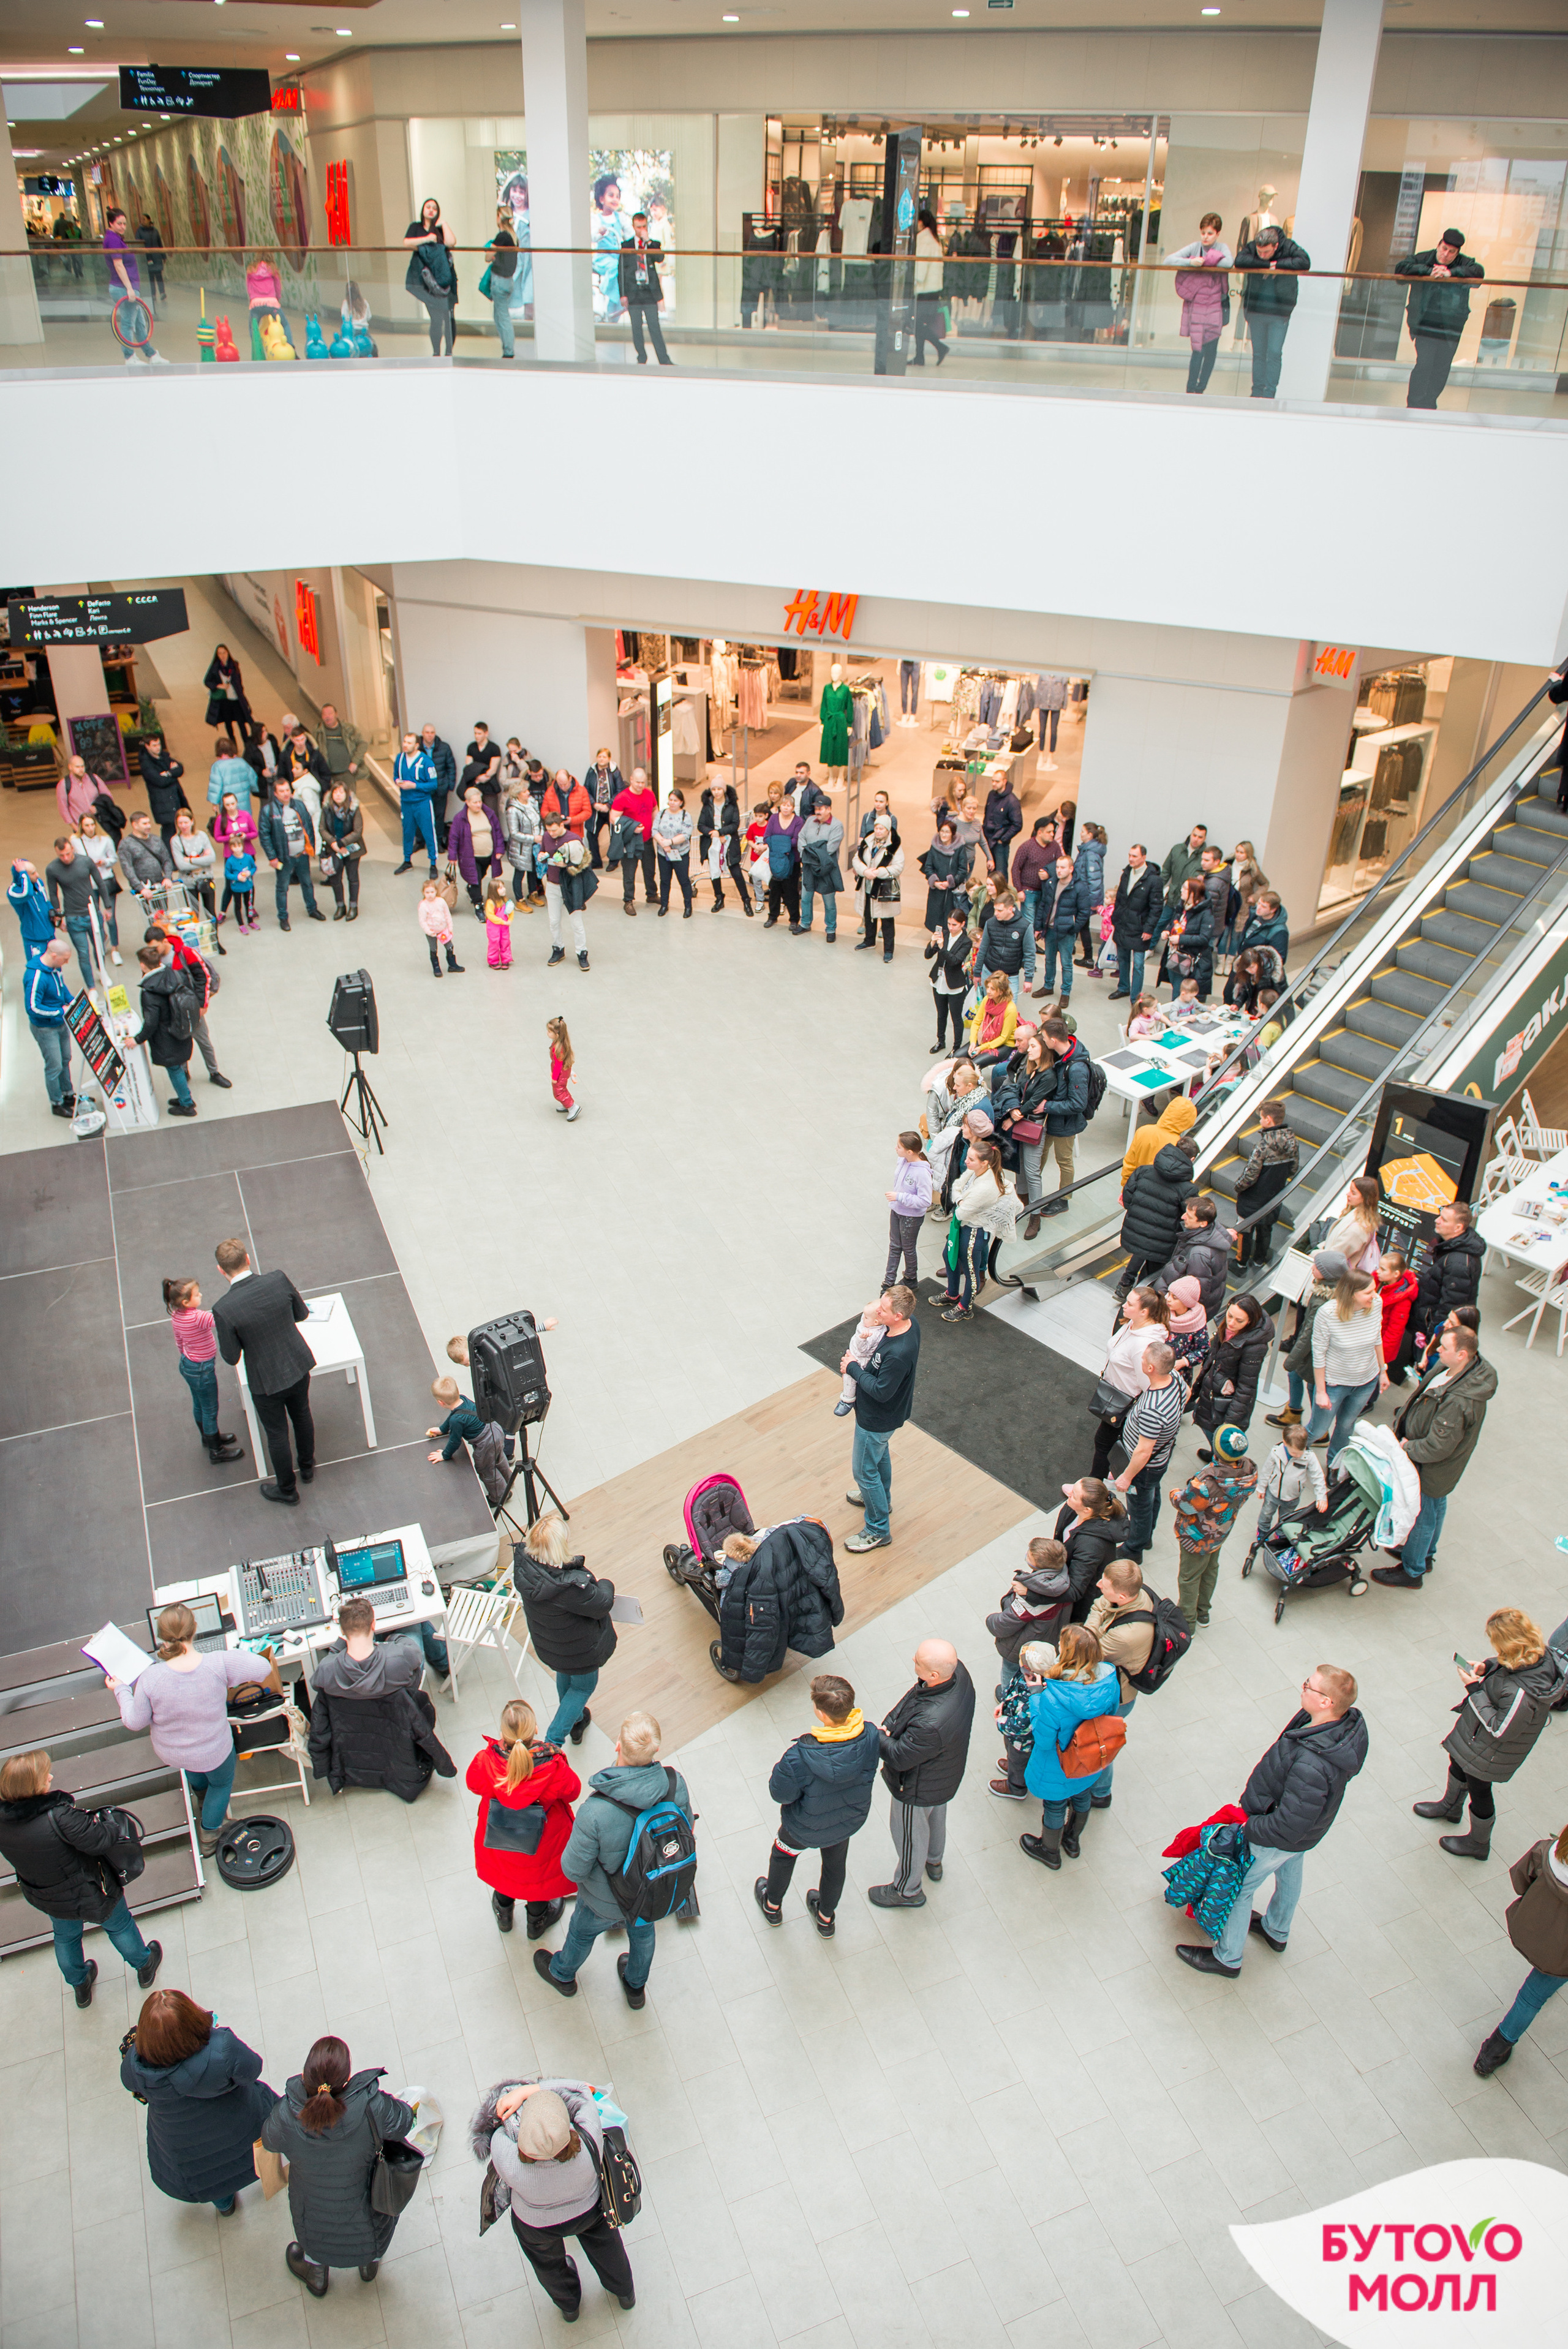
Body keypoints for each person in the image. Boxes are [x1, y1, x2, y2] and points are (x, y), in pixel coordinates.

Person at [1175, 1665, 1366, 1975]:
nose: (1302, 1688)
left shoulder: (1312, 1763)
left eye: (1310, 1686)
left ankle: (1228, 1958)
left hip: (1276, 1836)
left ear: (1326, 1702)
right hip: (1301, 1837)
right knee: (1290, 1870)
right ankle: (1276, 1931)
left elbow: (1288, 1823)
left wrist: (1250, 1827)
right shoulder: (1335, 1728)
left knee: (1240, 1889)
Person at [535, 1711, 691, 2006]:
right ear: (656, 1749)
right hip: (651, 1893)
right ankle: (635, 1987)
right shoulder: (675, 1783)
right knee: (643, 1934)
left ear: (618, 1745)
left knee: (581, 1934)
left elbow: (572, 1869)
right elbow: (686, 1831)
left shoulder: (594, 1811)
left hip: (605, 1901)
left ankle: (562, 1974)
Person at [110, 1602, 279, 1852]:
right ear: (195, 1629)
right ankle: (210, 1834)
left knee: (193, 1764)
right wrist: (232, 1659)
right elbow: (264, 1668)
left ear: (161, 1639)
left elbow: (135, 1721)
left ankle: (202, 1797)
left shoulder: (150, 1677)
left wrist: (121, 1689)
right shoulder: (218, 1663)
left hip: (174, 1752)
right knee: (220, 1784)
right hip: (214, 1750)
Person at [0, 1749, 163, 2008]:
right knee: (119, 1925)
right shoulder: (59, 1817)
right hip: (91, 1889)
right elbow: (100, 1840)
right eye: (45, 1776)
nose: (51, 1777)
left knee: (65, 1937)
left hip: (47, 1894)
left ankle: (80, 1984)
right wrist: (109, 1823)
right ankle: (144, 1964)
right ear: (32, 1786)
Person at [261, 2037, 417, 2297]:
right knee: (371, 2235)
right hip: (368, 2207)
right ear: (346, 2081)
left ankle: (317, 2276)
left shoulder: (285, 2114)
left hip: (310, 2208)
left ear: (304, 2076)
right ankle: (368, 2266)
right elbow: (404, 2121)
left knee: (313, 2239)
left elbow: (269, 2141)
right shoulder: (372, 2107)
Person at [1412, 1610, 1564, 1863]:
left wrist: (1473, 1689)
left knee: (1480, 1790)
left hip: (1492, 1751)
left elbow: (1501, 1729)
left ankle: (1478, 1843)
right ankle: (1450, 1807)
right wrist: (1488, 1666)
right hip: (1476, 1738)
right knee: (1458, 1762)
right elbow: (1507, 1666)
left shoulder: (1522, 1695)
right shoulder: (1535, 1653)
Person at [483, 2077, 637, 2315]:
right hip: (591, 2212)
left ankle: (569, 2307)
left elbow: (494, 2130)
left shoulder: (508, 2159)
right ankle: (625, 2293)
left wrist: (514, 2098)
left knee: (548, 2266)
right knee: (609, 2249)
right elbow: (582, 2089)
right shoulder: (589, 2140)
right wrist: (531, 2089)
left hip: (536, 2226)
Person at [121, 1991, 277, 2216]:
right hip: (237, 2125)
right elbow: (252, 2070)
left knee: (208, 2178)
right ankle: (268, 2176)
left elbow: (132, 2086)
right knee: (254, 2154)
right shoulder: (223, 2048)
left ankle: (225, 2206)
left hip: (180, 2142)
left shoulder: (134, 2067)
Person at [755, 1673, 881, 1934]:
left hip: (803, 1826)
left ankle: (772, 1905)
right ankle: (825, 1918)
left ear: (821, 1714)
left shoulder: (799, 1757)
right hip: (846, 1821)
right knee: (835, 1866)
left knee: (783, 1855)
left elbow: (779, 1794)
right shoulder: (870, 1735)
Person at [1372, 1322, 1496, 1589]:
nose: (1437, 1349)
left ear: (1462, 1354)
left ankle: (1412, 1570)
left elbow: (1437, 1447)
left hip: (1434, 1468)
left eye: (1445, 1347)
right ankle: (1425, 1555)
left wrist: (1406, 1447)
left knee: (1423, 1515)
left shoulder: (1461, 1401)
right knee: (1436, 1506)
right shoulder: (1455, 1368)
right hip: (1439, 1467)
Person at [308, 1596, 457, 1799]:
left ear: (343, 1631)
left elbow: (317, 1684)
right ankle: (445, 1665)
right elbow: (415, 1657)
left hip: (354, 1741)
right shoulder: (399, 1658)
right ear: (373, 1624)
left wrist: (337, 1649)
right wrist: (392, 1640)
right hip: (396, 1726)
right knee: (415, 1623)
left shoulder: (327, 1669)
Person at [212, 1235, 317, 1505]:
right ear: (248, 1259)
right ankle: (307, 1467)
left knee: (277, 1433)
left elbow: (231, 1356)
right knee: (302, 1413)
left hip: (265, 1380)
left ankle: (287, 1490)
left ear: (221, 1270)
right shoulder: (278, 1279)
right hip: (297, 1363)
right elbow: (302, 1314)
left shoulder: (223, 1309)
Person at [871, 1640, 974, 1909]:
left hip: (917, 1786)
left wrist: (876, 1735)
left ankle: (907, 1890)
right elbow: (915, 1696)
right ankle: (934, 1860)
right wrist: (894, 1723)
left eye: (918, 1662)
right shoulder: (959, 1674)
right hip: (944, 1776)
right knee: (937, 1816)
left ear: (934, 1675)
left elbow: (898, 1757)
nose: (913, 1662)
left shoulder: (931, 1723)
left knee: (909, 1835)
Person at [467, 1699, 576, 1940]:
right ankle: (536, 1923)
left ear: (502, 1733)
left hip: (499, 1835)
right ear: (535, 1729)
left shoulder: (486, 1760)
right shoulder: (553, 1764)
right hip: (541, 1842)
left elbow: (473, 1784)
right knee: (538, 1884)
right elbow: (573, 1791)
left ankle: (504, 1915)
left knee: (503, 1875)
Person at [1016, 1624, 1121, 1869]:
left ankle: (1050, 1851)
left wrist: (1035, 1695)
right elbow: (1112, 1713)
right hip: (1092, 1758)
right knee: (1082, 1794)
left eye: (1062, 1646)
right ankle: (1072, 1840)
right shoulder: (1108, 1678)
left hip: (1059, 1763)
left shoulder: (1054, 1696)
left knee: (1055, 1805)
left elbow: (1042, 1739)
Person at [511, 1511, 616, 1745]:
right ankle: (553, 1740)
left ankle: (577, 1720)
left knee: (565, 1674)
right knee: (582, 1688)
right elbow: (602, 1603)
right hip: (580, 1650)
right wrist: (607, 1584)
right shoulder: (569, 1588)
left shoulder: (525, 1567)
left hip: (551, 1645)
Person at [1472, 1824, 1568, 2078]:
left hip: (1534, 1933)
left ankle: (1490, 2055)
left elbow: (1519, 1880)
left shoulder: (1545, 1852)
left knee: (1530, 1998)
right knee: (1531, 1998)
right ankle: (1495, 2050)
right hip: (1563, 1958)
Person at [842, 1284, 921, 1555]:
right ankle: (880, 1501)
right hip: (885, 1418)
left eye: (883, 1309)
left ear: (897, 1316)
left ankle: (877, 1530)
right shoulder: (907, 1325)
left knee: (864, 1471)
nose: (877, 1309)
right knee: (877, 1457)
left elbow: (881, 1391)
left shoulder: (898, 1353)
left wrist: (851, 1367)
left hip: (877, 1419)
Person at [1169, 1425, 1258, 1631]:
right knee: (1210, 1569)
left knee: (1189, 1577)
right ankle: (1203, 1612)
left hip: (1197, 1535)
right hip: (1221, 1531)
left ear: (1216, 1451)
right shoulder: (1249, 1471)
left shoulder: (1207, 1482)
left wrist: (1174, 1493)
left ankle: (1187, 1624)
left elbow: (1186, 1504)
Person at [1084, 1558, 1156, 1809]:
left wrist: (1091, 1629)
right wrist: (1098, 1618)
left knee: (1099, 1744)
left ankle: (1101, 1793)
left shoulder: (1128, 1635)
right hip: (1114, 1682)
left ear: (1123, 1597)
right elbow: (1099, 1605)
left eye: (1106, 1584)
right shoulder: (1137, 1594)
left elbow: (1089, 1650)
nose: (1099, 1584)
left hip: (1119, 1697)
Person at [1109, 1339, 1183, 1559]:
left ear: (1150, 1368)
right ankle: (1146, 1536)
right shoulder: (1176, 1378)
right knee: (1152, 1496)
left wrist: (1126, 1477)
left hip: (1144, 1468)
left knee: (1139, 1509)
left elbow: (1143, 1451)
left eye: (1143, 1358)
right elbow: (1186, 1394)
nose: (1140, 1359)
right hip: (1159, 1461)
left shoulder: (1154, 1410)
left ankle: (1134, 1549)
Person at [1397, 227, 1485, 409]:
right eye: (1444, 248)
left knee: (1442, 367)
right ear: (1439, 245)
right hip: (1424, 325)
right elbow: (1401, 269)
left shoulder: (1464, 263)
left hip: (1450, 326)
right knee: (1424, 364)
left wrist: (1451, 274)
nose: (1446, 254)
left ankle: (1430, 404)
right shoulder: (1423, 258)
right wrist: (1428, 271)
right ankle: (1414, 406)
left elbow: (1478, 272)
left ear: (1457, 253)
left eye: (1452, 252)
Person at [1308, 1269, 1387, 1464]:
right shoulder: (1327, 1314)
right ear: (1352, 1293)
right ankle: (1289, 1451)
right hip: (1335, 1384)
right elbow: (1319, 1355)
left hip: (1366, 1381)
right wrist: (1321, 1391)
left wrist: (1383, 1371)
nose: (1374, 1296)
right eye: (1368, 1292)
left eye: (1374, 1291)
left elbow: (1377, 1338)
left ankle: (1334, 1463)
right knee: (1318, 1429)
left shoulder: (1376, 1304)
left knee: (1346, 1425)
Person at [163, 1275, 243, 1466]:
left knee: (199, 1404)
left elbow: (179, 1342)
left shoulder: (176, 1316)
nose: (201, 1295)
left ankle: (208, 1438)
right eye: (197, 1295)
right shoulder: (198, 1317)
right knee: (210, 1409)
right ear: (186, 1302)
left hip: (188, 1365)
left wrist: (187, 1355)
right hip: (202, 1370)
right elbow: (221, 1320)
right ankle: (216, 1451)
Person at [943, 1138, 1016, 1323]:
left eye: (971, 1160)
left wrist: (959, 1201)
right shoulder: (976, 1171)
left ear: (984, 1163)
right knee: (948, 1255)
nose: (966, 1162)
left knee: (971, 1272)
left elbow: (960, 1212)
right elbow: (956, 1187)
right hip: (965, 1225)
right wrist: (960, 1200)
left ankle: (965, 1307)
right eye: (968, 1158)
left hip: (974, 1231)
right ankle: (952, 1294)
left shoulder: (986, 1187)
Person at [1117, 1134, 1197, 1300]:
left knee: (1142, 1249)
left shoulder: (1143, 1171)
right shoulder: (1189, 1189)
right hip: (1165, 1240)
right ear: (1192, 1159)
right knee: (1152, 1268)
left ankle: (1124, 1285)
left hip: (1136, 1230)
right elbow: (1188, 1219)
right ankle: (1138, 1298)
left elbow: (1127, 1199)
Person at [1234, 219, 1309, 394]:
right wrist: (1267, 265)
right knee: (1258, 353)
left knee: (1274, 352)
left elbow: (1304, 262)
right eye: (1259, 252)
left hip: (1279, 312)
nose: (1261, 255)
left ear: (1276, 247)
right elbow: (1240, 260)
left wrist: (1279, 265)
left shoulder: (1288, 246)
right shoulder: (1254, 247)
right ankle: (1257, 389)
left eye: (1266, 252)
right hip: (1256, 310)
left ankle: (1270, 391)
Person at [1189, 1294, 1274, 1442]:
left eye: (1239, 1320)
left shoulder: (1255, 1347)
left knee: (1219, 1440)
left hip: (1225, 1403)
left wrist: (1229, 1424)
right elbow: (1213, 1360)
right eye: (1230, 1316)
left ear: (1250, 1321)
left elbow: (1247, 1388)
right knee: (1208, 1431)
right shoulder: (1225, 1326)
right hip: (1212, 1392)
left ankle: (1216, 1460)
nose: (1231, 1323)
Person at [131, 938, 199, 1117]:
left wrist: (137, 1039)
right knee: (178, 1066)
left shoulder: (149, 992)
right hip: (181, 1030)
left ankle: (187, 1104)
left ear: (143, 966)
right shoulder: (173, 975)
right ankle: (184, 1098)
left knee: (175, 1069)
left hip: (165, 1038)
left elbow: (151, 1022)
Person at [1169, 213, 1232, 394]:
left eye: (1210, 233)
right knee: (1197, 349)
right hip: (1197, 306)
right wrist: (1192, 262)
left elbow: (1229, 263)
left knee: (1211, 349)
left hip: (1215, 307)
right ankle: (1191, 389)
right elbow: (1170, 260)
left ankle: (1201, 387)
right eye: (1203, 232)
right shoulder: (1195, 247)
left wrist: (1209, 260)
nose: (1205, 237)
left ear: (1218, 234)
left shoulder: (1222, 247)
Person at [1233, 1098, 1298, 1268]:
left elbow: (1250, 1176)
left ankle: (1241, 1261)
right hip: (1274, 1197)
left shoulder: (1262, 1146)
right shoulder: (1292, 1142)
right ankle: (1259, 1259)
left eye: (1261, 1118)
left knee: (1245, 1229)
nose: (1260, 1121)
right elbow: (1293, 1169)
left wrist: (1238, 1187)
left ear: (1268, 1119)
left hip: (1253, 1198)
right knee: (1266, 1229)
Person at [1412, 1199, 1484, 1351]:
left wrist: (1432, 1343)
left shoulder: (1458, 1264)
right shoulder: (1454, 1247)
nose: (1437, 1221)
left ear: (1458, 1228)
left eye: (1444, 1220)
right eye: (1440, 1216)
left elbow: (1449, 1309)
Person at [257, 777, 324, 932]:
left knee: (307, 883)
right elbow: (265, 836)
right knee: (282, 887)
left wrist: (311, 847)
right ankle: (283, 917)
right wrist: (272, 857)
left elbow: (308, 826)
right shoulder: (269, 811)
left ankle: (312, 909)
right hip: (283, 857)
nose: (286, 794)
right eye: (282, 791)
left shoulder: (299, 805)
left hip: (302, 854)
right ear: (275, 793)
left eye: (287, 790)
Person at [103, 207, 167, 364]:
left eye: (124, 224)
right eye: (119, 223)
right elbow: (118, 265)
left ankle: (151, 354)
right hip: (124, 288)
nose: (123, 227)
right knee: (128, 322)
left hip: (127, 287)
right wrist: (129, 289)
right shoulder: (112, 239)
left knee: (139, 323)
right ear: (111, 223)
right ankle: (129, 356)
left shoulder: (117, 238)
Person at [47, 830, 108, 990]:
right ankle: (91, 987)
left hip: (93, 913)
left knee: (99, 947)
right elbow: (53, 894)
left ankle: (102, 972)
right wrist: (59, 919)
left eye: (68, 854)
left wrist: (107, 906)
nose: (66, 858)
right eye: (62, 856)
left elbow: (100, 883)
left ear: (72, 849)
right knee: (83, 953)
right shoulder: (52, 869)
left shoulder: (86, 862)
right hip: (74, 917)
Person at [1154, 1193, 1231, 1317]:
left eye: (1189, 1216)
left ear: (1203, 1223)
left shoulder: (1199, 1254)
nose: (1183, 1217)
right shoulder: (1210, 1234)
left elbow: (1195, 1292)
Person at [23, 939, 77, 1118]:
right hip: (45, 1029)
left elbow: (62, 989)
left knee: (66, 1058)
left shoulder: (56, 968)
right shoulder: (36, 977)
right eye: (65, 959)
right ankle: (57, 1103)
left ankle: (68, 1093)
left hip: (60, 1023)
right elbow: (32, 1007)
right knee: (54, 1065)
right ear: (54, 956)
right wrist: (59, 1011)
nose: (66, 963)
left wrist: (72, 1002)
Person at [1256, 1420, 1328, 1544]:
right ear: (1285, 1443)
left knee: (1286, 1518)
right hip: (1273, 1493)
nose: (1298, 1455)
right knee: (1266, 1513)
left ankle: (1281, 1533)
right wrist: (1261, 1488)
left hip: (1292, 1497)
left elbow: (1318, 1476)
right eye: (1294, 1453)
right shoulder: (1276, 1452)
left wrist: (1322, 1497)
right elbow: (1267, 1470)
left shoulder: (1309, 1457)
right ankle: (1263, 1530)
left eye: (1301, 1452)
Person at [1107, 842, 1163, 1001]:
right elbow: (1120, 898)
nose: (1131, 859)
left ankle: (1136, 997)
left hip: (1140, 928)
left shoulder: (1154, 880)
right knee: (1123, 959)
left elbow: (1157, 907)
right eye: (1130, 856)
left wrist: (1149, 929)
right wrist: (1116, 918)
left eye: (1135, 856)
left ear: (1144, 858)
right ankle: (1123, 987)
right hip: (1123, 924)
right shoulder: (1127, 873)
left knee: (1138, 964)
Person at [540, 811, 594, 972]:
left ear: (562, 825)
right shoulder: (546, 837)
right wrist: (542, 856)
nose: (551, 834)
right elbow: (545, 852)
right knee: (554, 921)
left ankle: (582, 953)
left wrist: (567, 865)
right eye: (549, 831)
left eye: (554, 830)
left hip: (571, 885)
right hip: (553, 884)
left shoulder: (574, 839)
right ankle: (558, 948)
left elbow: (584, 862)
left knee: (576, 923)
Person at [404, 195, 458, 353]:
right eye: (428, 207)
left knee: (449, 317)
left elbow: (451, 242)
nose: (431, 210)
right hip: (426, 280)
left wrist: (444, 224)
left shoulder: (440, 229)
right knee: (436, 318)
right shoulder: (416, 227)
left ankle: (449, 352)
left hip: (445, 278)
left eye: (435, 208)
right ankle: (436, 352)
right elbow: (407, 242)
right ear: (423, 210)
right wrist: (427, 238)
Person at [619, 209, 672, 364]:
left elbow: (660, 258)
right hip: (633, 293)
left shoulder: (652, 245)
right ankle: (641, 357)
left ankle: (664, 359)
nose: (641, 230)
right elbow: (621, 271)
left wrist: (648, 241)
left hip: (649, 292)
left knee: (655, 327)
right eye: (638, 227)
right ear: (633, 227)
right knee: (636, 328)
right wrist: (623, 294)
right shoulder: (626, 246)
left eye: (643, 226)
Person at [1035, 854, 1088, 1005]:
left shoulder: (1079, 887)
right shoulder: (1051, 883)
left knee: (1066, 963)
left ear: (1071, 869)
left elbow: (1084, 912)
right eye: (1057, 867)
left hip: (1067, 932)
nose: (1058, 870)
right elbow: (1043, 906)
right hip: (1050, 929)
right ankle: (1048, 986)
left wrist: (1074, 928)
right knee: (1049, 960)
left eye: (1062, 867)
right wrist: (1038, 927)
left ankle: (1065, 992)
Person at [884, 1129, 933, 1292]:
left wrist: (900, 1197)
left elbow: (925, 1201)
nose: (895, 1149)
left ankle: (911, 1278)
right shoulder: (903, 1161)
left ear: (910, 1151)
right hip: (897, 1211)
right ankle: (888, 1282)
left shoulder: (922, 1173)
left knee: (908, 1248)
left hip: (911, 1217)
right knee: (895, 1246)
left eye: (899, 1146)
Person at [853, 815, 903, 960]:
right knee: (868, 915)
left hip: (884, 888)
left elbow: (898, 867)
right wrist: (865, 871)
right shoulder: (868, 841)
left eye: (882, 828)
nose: (878, 831)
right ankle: (869, 941)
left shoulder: (895, 845)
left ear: (888, 830)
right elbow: (857, 858)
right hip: (868, 885)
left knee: (887, 920)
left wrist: (878, 872)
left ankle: (889, 950)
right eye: (876, 828)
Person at [449, 782, 503, 921]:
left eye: (479, 801)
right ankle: (478, 905)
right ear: (467, 802)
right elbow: (453, 837)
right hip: (471, 857)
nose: (478, 805)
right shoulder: (460, 818)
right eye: (474, 802)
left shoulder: (489, 813)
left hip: (488, 855)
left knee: (480, 876)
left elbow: (497, 831)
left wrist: (499, 848)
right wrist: (452, 856)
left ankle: (472, 890)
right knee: (476, 880)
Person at [609, 766, 658, 910]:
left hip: (647, 840)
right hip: (630, 841)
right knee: (629, 872)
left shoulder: (649, 794)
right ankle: (628, 900)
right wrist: (632, 828)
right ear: (631, 780)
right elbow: (613, 818)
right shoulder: (623, 797)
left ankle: (652, 894)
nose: (640, 785)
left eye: (643, 782)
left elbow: (655, 809)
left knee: (650, 870)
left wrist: (656, 826)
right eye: (637, 782)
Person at [393, 730, 440, 877]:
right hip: (406, 803)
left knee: (428, 832)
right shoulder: (400, 759)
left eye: (409, 743)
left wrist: (415, 786)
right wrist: (397, 782)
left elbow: (434, 785)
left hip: (422, 803)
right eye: (405, 742)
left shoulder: (426, 762)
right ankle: (407, 861)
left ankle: (433, 863)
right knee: (407, 832)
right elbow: (396, 775)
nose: (405, 745)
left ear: (417, 745)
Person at [799, 795, 845, 938]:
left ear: (829, 809)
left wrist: (809, 854)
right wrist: (805, 853)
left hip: (826, 869)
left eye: (821, 809)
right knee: (806, 897)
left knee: (829, 901)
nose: (817, 812)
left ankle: (831, 929)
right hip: (808, 867)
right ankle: (805, 923)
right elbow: (801, 838)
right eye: (816, 808)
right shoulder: (809, 821)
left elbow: (830, 849)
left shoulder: (837, 826)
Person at [167, 808, 219, 930]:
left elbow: (212, 858)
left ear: (192, 821)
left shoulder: (202, 836)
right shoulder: (176, 840)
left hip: (206, 878)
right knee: (193, 913)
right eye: (180, 823)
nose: (183, 826)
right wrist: (202, 859)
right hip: (189, 881)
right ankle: (197, 941)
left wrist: (190, 860)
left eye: (186, 822)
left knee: (211, 912)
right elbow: (181, 865)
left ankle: (215, 940)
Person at [319, 780, 364, 921]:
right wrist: (333, 843)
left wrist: (342, 842)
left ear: (347, 794)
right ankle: (340, 906)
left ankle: (353, 906)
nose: (338, 795)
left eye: (341, 792)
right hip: (333, 849)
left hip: (352, 848)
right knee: (335, 878)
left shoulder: (354, 808)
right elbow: (322, 828)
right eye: (335, 792)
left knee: (353, 878)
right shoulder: (327, 809)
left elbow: (358, 831)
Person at [911, 205, 949, 364]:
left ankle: (940, 347)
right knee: (919, 323)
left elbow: (922, 264)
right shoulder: (934, 239)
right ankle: (920, 356)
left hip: (925, 289)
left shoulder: (923, 240)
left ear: (921, 223)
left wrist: (916, 281)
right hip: (934, 289)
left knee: (916, 323)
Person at [762, 797, 805, 931]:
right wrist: (785, 842)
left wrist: (777, 842)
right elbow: (767, 838)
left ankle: (794, 919)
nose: (786, 808)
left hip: (793, 861)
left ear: (793, 807)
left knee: (791, 890)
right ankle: (772, 916)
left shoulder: (799, 821)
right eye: (784, 805)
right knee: (774, 888)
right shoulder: (774, 819)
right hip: (776, 859)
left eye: (789, 806)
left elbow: (796, 841)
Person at [654, 786, 695, 916]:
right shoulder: (662, 813)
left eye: (675, 800)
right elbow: (654, 830)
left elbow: (686, 834)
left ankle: (688, 906)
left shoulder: (685, 816)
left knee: (684, 880)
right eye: (670, 800)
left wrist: (670, 842)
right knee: (665, 880)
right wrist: (663, 843)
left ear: (681, 802)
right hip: (663, 853)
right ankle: (664, 904)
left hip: (681, 854)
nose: (672, 803)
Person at [138, 735, 188, 843]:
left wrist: (168, 773)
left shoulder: (164, 757)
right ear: (147, 746)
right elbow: (160, 781)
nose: (158, 748)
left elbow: (180, 768)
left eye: (159, 744)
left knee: (178, 828)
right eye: (154, 745)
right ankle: (168, 856)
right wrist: (173, 776)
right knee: (169, 831)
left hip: (175, 799)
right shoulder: (147, 765)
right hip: (162, 803)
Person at [8, 854, 55, 961]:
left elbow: (46, 901)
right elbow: (27, 894)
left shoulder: (38, 883)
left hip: (50, 936)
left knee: (55, 969)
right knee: (38, 969)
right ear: (23, 876)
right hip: (35, 941)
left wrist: (54, 915)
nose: (38, 875)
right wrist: (23, 873)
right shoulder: (13, 891)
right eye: (33, 873)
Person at [583, 745, 622, 865]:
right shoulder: (591, 771)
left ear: (609, 758)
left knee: (615, 836)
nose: (601, 759)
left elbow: (620, 790)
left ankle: (614, 861)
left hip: (611, 809)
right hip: (596, 810)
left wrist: (609, 805)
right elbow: (586, 789)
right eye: (599, 756)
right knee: (591, 834)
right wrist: (594, 804)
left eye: (604, 757)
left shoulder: (615, 771)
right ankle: (596, 861)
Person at [418, 875, 464, 976]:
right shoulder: (423, 905)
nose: (430, 895)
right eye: (427, 892)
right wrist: (428, 931)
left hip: (443, 930)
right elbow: (422, 921)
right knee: (433, 949)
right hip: (431, 932)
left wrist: (450, 927)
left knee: (450, 947)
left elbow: (447, 915)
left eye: (432, 892)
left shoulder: (441, 901)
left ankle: (452, 965)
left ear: (436, 891)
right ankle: (436, 967)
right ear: (423, 893)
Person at [982, 772, 1023, 883]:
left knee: (1000, 873)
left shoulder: (1012, 801)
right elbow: (987, 814)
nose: (994, 784)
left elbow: (1018, 824)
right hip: (990, 840)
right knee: (991, 869)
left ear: (1005, 781)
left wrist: (1003, 839)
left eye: (997, 781)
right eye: (993, 781)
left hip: (1000, 843)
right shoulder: (991, 794)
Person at [202, 644, 249, 737]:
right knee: (228, 723)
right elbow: (207, 681)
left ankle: (247, 744)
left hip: (236, 699)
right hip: (224, 700)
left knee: (241, 723)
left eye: (224, 653)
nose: (222, 656)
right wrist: (218, 686)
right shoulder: (216, 668)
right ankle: (233, 745)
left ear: (228, 653)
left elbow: (239, 683)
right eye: (220, 653)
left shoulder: (234, 666)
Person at [207, 733, 256, 820]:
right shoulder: (242, 762)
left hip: (227, 804)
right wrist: (254, 790)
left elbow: (216, 786)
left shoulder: (217, 766)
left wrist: (214, 803)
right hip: (244, 803)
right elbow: (253, 780)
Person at [546, 1012, 579, 1119]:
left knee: (559, 1091)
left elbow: (558, 1064)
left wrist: (554, 1077)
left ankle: (572, 1107)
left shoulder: (558, 1048)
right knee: (562, 1088)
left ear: (557, 1035)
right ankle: (567, 1104)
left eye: (549, 1032)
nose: (547, 1033)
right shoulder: (561, 1043)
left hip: (560, 1073)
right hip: (564, 1071)